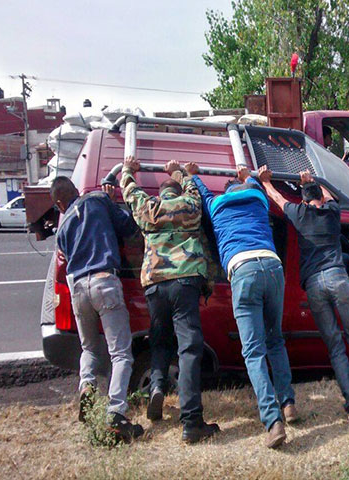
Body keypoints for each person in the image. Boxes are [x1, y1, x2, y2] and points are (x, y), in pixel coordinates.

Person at [259, 166, 349, 426]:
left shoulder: (298, 214)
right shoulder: (332, 212)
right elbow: (330, 195)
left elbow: (277, 198)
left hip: (313, 286)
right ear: (321, 200)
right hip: (337, 278)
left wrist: (267, 182)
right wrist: (313, 180)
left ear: (304, 201)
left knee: (335, 347)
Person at [191, 164, 296, 449]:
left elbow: (202, 191)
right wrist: (247, 175)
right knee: (275, 340)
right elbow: (254, 182)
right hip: (272, 266)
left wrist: (192, 173)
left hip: (243, 270)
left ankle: (273, 421)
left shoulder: (215, 206)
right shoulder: (257, 197)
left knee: (253, 351)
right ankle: (288, 403)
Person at [120, 156, 220, 444]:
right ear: (177, 191)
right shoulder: (188, 205)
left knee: (160, 340)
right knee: (189, 348)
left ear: (161, 193)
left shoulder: (148, 208)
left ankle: (157, 388)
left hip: (154, 284)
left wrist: (129, 169)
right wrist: (178, 171)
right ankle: (192, 421)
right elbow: (193, 188)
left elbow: (129, 190)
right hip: (185, 280)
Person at [50, 176, 144, 443]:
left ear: (60, 204)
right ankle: (116, 413)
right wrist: (112, 201)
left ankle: (87, 386)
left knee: (89, 348)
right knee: (121, 353)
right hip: (105, 282)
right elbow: (129, 228)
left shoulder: (62, 228)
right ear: (76, 190)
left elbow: (65, 258)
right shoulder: (98, 200)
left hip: (78, 289)